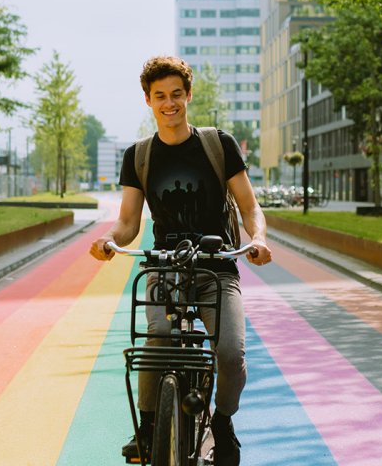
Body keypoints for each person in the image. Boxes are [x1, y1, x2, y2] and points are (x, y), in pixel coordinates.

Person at [90, 55, 272, 466]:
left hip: (216, 267)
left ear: (188, 95)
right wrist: (108, 240)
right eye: (160, 96)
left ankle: (222, 423)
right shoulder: (139, 155)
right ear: (148, 101)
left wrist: (258, 237)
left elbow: (249, 206)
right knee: (157, 340)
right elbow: (127, 223)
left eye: (176, 94)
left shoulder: (217, 144)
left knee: (229, 355)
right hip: (163, 267)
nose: (169, 103)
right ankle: (150, 426)